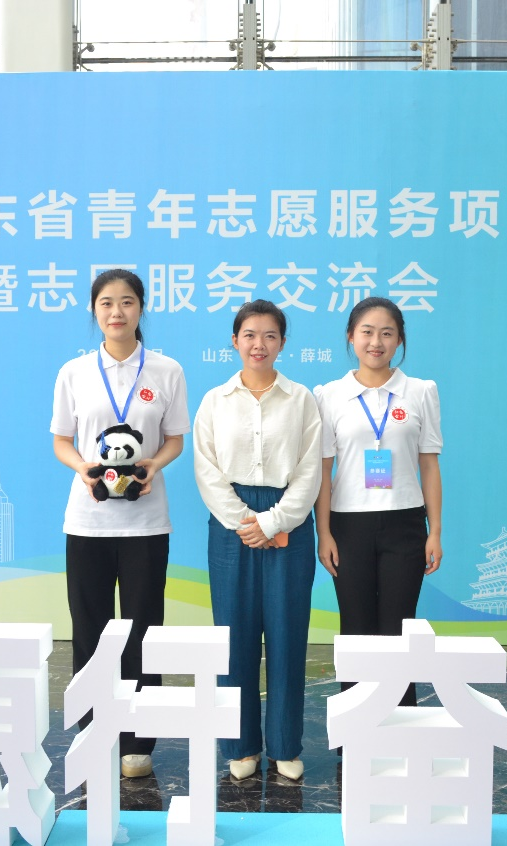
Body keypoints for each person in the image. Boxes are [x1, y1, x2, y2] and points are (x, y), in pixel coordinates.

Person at [51, 269, 189, 779]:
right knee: (89, 630)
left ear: (141, 308)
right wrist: (81, 466)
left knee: (143, 631)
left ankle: (137, 741)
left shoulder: (167, 371)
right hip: (87, 522)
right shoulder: (74, 372)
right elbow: (61, 440)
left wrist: (154, 465)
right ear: (94, 310)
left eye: (127, 302)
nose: (116, 311)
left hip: (145, 525)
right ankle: (92, 730)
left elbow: (174, 439)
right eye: (107, 302)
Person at [193, 299, 322, 782]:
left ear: (283, 343)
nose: (259, 344)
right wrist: (245, 521)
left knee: (287, 634)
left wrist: (274, 522)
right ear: (235, 341)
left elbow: (310, 470)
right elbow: (207, 470)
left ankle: (285, 745)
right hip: (231, 524)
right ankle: (240, 744)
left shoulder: (301, 399)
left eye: (270, 335)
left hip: (289, 517)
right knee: (234, 638)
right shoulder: (215, 400)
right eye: (249, 335)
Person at [314, 297, 443, 706]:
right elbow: (323, 470)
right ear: (351, 337)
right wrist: (324, 533)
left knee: (398, 630)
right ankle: (354, 725)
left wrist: (435, 531)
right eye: (367, 332)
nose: (376, 342)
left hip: (405, 524)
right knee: (356, 628)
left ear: (399, 340)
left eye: (387, 333)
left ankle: (401, 724)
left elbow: (429, 466)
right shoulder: (330, 395)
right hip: (348, 525)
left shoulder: (420, 392)